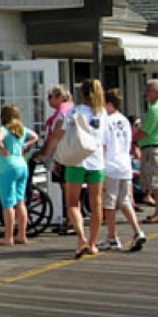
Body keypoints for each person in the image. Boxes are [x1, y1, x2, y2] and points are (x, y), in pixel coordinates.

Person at [43, 79, 107, 258]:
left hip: (76, 160)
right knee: (96, 204)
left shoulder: (75, 111)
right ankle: (93, 243)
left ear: (82, 94)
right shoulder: (102, 113)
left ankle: (81, 238)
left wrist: (46, 153)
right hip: (96, 161)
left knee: (72, 202)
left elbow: (59, 134)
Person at [101, 88, 147, 252]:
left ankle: (112, 237)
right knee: (125, 201)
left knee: (109, 203)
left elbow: (103, 144)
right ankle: (137, 231)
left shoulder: (106, 121)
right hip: (124, 165)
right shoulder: (125, 120)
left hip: (111, 165)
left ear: (109, 104)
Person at [0, 104, 39, 246]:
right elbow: (35, 136)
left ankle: (8, 237)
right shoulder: (21, 129)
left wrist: (2, 148)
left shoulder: (4, 129)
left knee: (7, 203)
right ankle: (22, 235)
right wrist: (26, 145)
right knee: (20, 201)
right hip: (22, 165)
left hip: (7, 167)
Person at [34, 85, 74, 235]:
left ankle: (71, 221)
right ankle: (69, 220)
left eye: (50, 97)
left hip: (64, 155)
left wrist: (44, 153)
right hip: (70, 154)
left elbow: (56, 136)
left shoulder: (62, 114)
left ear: (59, 97)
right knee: (68, 188)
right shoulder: (71, 110)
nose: (48, 101)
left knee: (67, 188)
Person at [135, 78, 158, 223]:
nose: (146, 94)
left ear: (157, 92)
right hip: (157, 149)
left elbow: (145, 132)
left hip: (152, 149)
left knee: (156, 183)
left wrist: (132, 137)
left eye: (149, 91)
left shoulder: (155, 109)